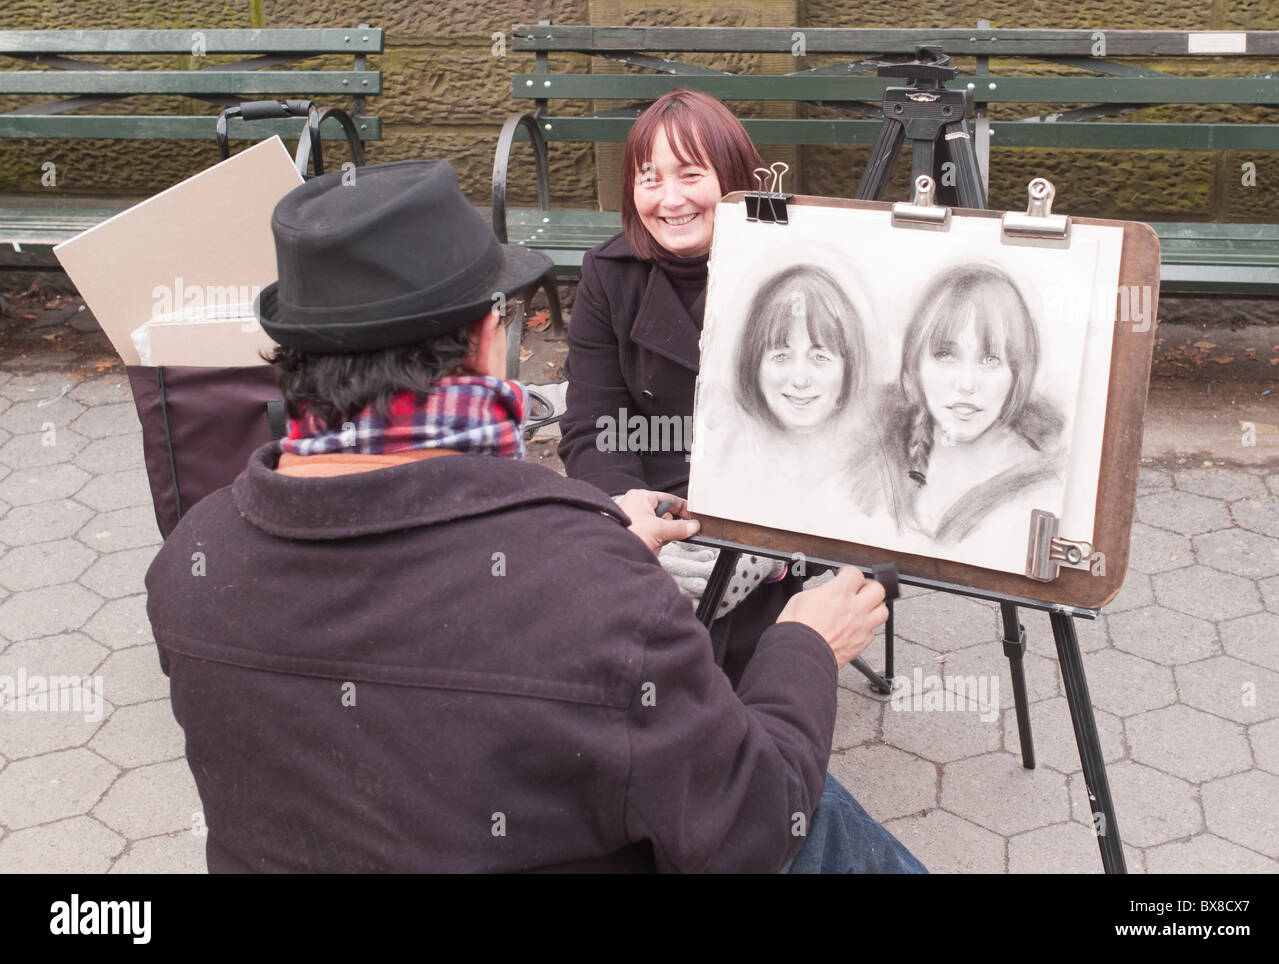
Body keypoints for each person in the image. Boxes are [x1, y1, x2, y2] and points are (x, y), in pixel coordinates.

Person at [145, 159, 924, 873]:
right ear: (489, 341)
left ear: (294, 360)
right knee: (813, 802)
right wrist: (803, 647)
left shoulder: (192, 561)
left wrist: (595, 545)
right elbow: (754, 824)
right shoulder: (590, 591)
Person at [558, 87, 797, 677]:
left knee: (711, 669)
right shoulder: (608, 275)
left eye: (691, 174)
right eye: (649, 179)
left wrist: (758, 534)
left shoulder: (793, 268)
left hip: (774, 512)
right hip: (654, 494)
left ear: (737, 179)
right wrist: (627, 511)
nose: (669, 200)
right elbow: (593, 422)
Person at [696, 263, 893, 537]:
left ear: (849, 369)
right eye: (781, 356)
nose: (800, 379)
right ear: (753, 366)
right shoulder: (727, 467)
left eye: (820, 356)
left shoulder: (873, 487)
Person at [884, 263, 1065, 544]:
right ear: (915, 364)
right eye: (945, 355)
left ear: (1017, 373)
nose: (966, 384)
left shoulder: (1044, 490)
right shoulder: (882, 457)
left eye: (990, 359)